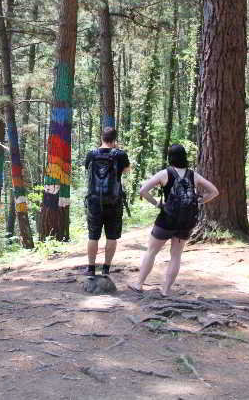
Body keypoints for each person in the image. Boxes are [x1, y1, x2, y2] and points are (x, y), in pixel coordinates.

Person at [129, 144, 219, 296]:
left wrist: (157, 204)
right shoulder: (193, 175)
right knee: (176, 255)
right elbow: (214, 191)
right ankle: (166, 290)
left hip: (167, 219)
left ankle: (138, 284)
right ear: (184, 157)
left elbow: (143, 190)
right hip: (186, 222)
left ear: (170, 157)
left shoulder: (165, 173)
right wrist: (199, 201)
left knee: (151, 251)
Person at [83, 127, 131, 277]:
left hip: (94, 201)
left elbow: (87, 169)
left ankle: (91, 268)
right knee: (111, 236)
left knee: (93, 236)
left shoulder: (91, 154)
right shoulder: (120, 154)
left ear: (101, 138)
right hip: (114, 201)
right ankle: (106, 269)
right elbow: (127, 170)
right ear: (114, 139)